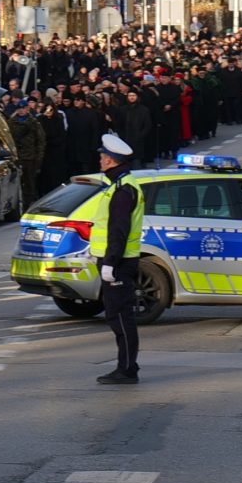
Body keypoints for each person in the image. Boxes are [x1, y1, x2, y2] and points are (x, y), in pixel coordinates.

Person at [87, 132, 145, 385]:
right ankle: (127, 365)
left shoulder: (123, 190)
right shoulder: (118, 186)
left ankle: (127, 368)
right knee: (117, 314)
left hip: (120, 262)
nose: (100, 159)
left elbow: (118, 230)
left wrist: (110, 262)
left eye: (103, 156)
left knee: (120, 316)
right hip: (117, 260)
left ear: (111, 160)